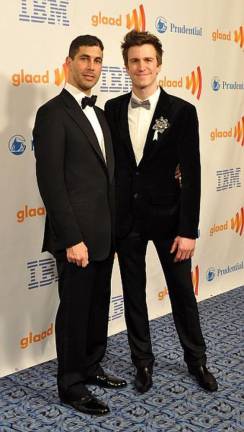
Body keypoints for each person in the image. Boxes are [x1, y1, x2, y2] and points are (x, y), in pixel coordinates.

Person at [105, 30, 218, 394]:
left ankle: (196, 360)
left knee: (182, 292)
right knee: (134, 294)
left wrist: (189, 229)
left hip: (171, 221)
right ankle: (143, 363)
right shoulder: (112, 108)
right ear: (126, 66)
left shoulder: (183, 112)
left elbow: (193, 174)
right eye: (135, 60)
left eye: (148, 60)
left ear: (159, 64)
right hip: (128, 221)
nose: (142, 66)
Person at [33, 35, 126, 416]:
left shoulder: (100, 114)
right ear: (69, 62)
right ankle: (71, 384)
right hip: (75, 239)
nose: (91, 66)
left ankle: (91, 365)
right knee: (74, 311)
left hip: (104, 235)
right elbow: (51, 182)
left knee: (96, 306)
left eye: (98, 60)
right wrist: (72, 238)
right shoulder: (53, 113)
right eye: (84, 58)